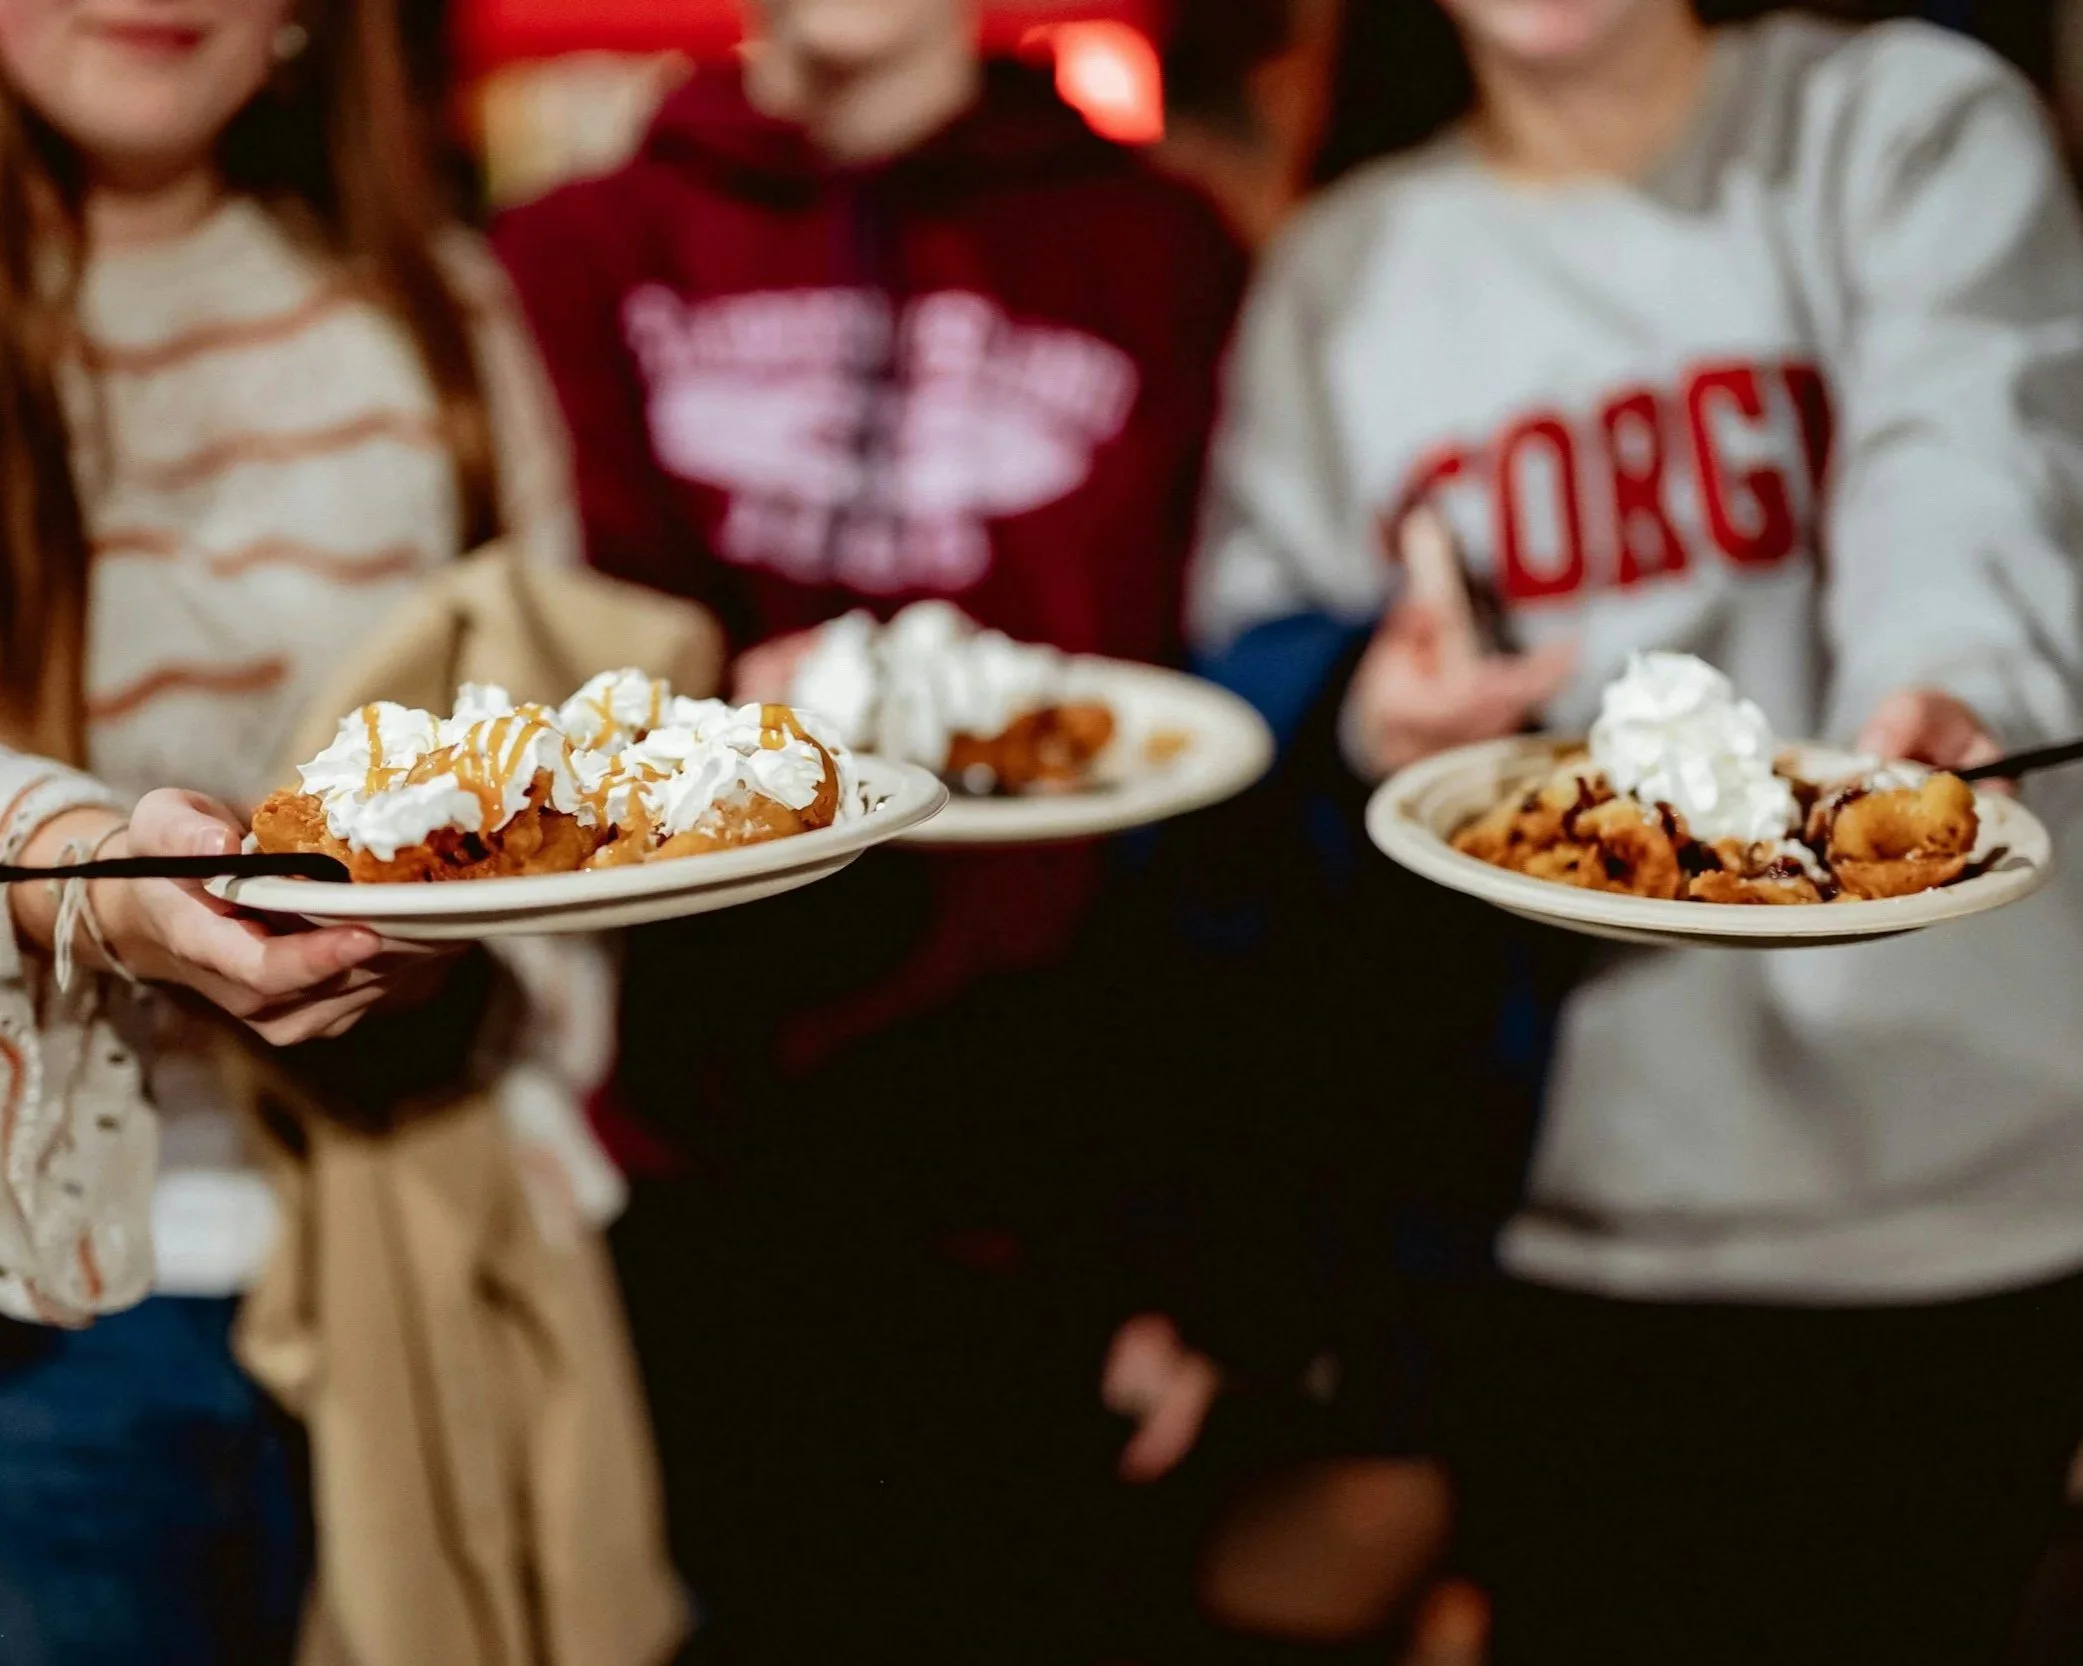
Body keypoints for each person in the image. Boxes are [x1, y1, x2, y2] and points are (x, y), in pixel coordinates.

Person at [1187, 1, 2083, 1663]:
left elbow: (1967, 459)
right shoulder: (1345, 266)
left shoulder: (1895, 123)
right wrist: (1368, 710)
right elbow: (1254, 666)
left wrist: (1952, 683)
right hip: (1573, 1202)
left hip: (1965, 1178)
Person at [495, 2, 1246, 1657]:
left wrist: (1188, 1237)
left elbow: (1215, 806)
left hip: (1048, 1175)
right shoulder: (565, 255)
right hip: (670, 1162)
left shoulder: (1163, 251)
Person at [0, 2, 636, 1659]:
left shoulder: (436, 314)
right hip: (47, 1296)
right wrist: (98, 883)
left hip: (426, 1229)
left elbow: (541, 753)